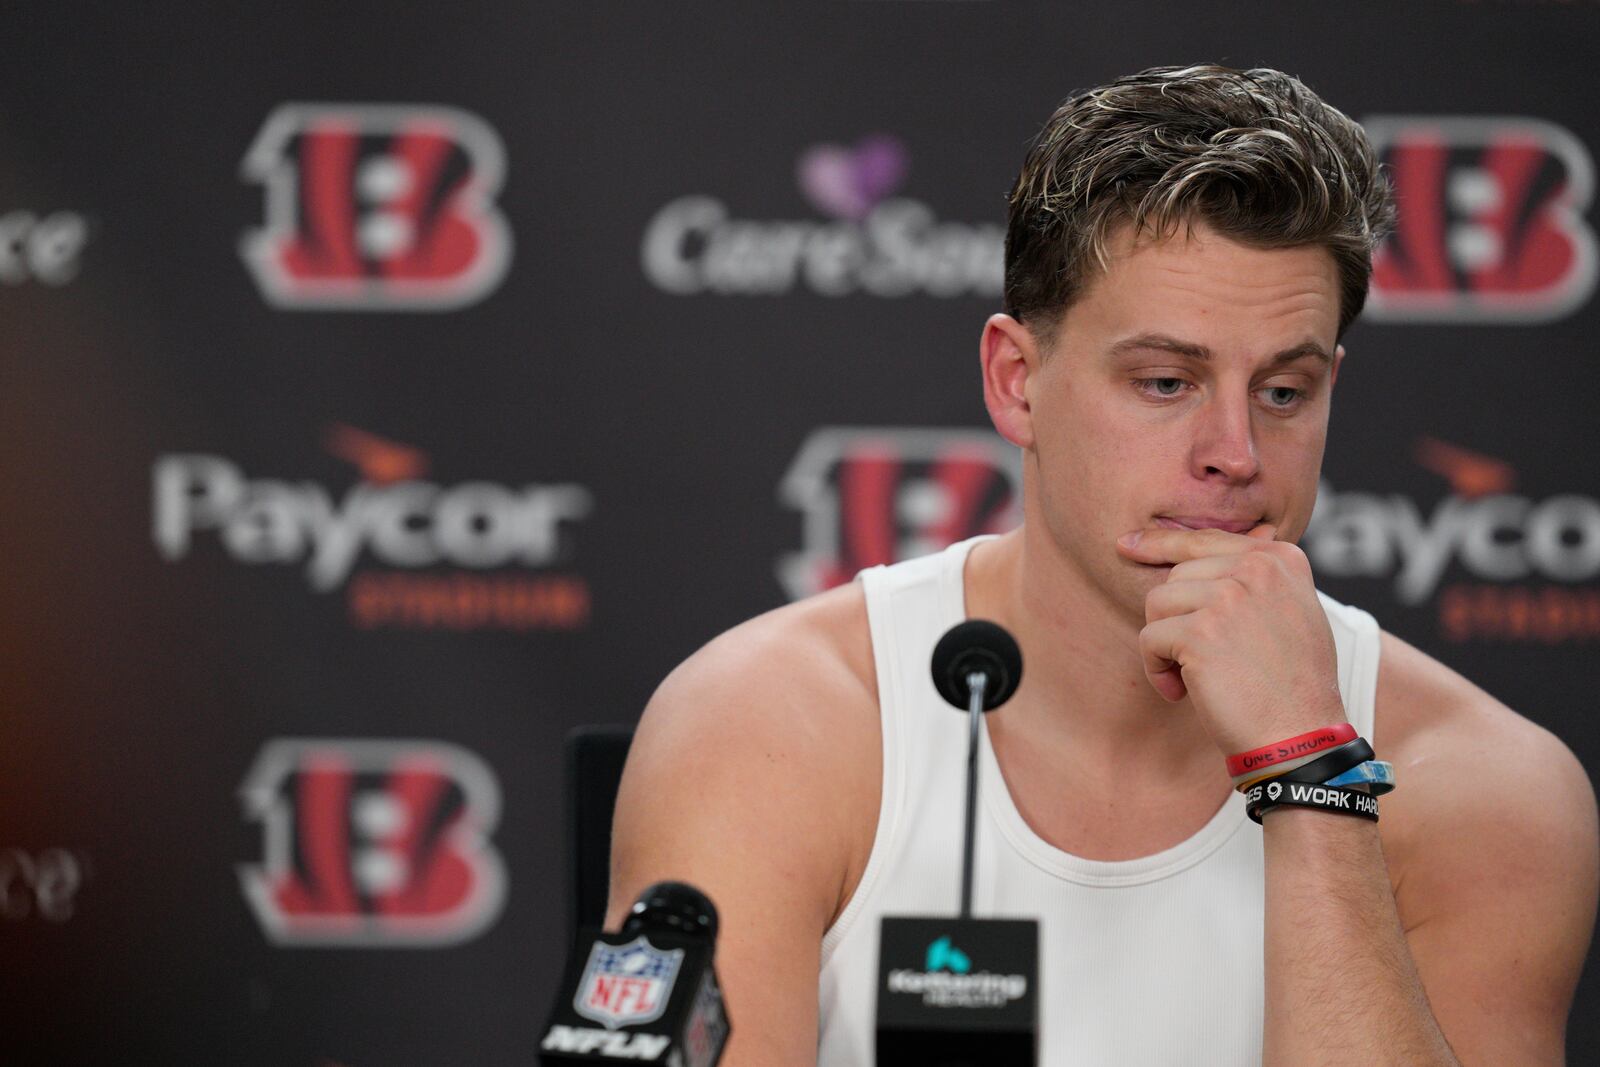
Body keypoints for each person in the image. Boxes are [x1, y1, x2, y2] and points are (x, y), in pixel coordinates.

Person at [607, 65, 1600, 1065]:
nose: (1235, 451)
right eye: (1166, 381)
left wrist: (1310, 770)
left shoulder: (1486, 788)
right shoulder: (770, 724)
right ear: (1017, 382)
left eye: (1286, 391)